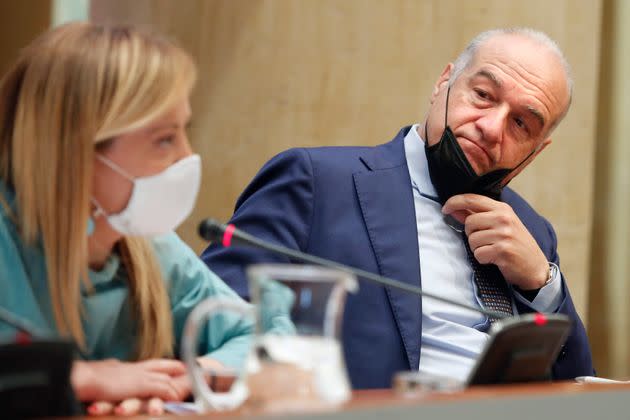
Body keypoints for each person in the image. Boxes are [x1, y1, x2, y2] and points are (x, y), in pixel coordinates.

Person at [201, 28, 594, 389]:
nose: (491, 127)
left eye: (521, 124)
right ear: (444, 83)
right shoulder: (317, 181)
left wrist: (542, 285)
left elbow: (580, 388)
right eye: (483, 95)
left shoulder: (533, 233)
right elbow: (217, 316)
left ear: (535, 152)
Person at [0, 22, 253, 416]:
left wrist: (191, 375)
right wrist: (83, 377)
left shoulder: (151, 249)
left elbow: (268, 339)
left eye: (185, 132)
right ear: (76, 153)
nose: (187, 157)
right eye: (165, 139)